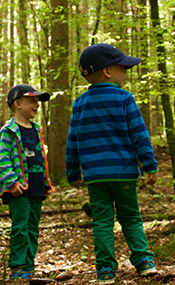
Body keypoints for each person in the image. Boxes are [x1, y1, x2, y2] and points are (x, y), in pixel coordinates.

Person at [65, 43, 159, 284]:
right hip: (124, 173)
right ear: (108, 71)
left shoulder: (80, 103)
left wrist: (72, 171)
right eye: (123, 68)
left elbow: (72, 140)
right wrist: (149, 164)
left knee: (102, 221)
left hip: (96, 176)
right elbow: (140, 134)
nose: (126, 73)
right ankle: (144, 261)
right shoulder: (124, 98)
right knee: (130, 217)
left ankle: (105, 270)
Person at [0, 84, 54, 280]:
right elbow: (4, 159)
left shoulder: (37, 129)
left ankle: (29, 266)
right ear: (18, 103)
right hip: (19, 189)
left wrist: (46, 183)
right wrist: (11, 182)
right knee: (20, 227)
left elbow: (41, 158)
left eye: (37, 102)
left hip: (37, 186)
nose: (36, 105)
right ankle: (17, 265)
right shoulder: (9, 130)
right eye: (32, 101)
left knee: (33, 227)